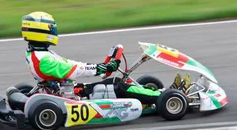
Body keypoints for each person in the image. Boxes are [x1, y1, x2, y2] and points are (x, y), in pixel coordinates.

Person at [15, 11, 188, 105]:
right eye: (51, 29)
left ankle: (156, 92)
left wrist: (103, 66)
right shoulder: (44, 59)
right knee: (118, 85)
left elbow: (68, 65)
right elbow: (76, 70)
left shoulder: (36, 53)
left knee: (118, 83)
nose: (54, 32)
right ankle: (166, 96)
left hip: (63, 89)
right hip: (70, 96)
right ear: (42, 32)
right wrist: (102, 68)